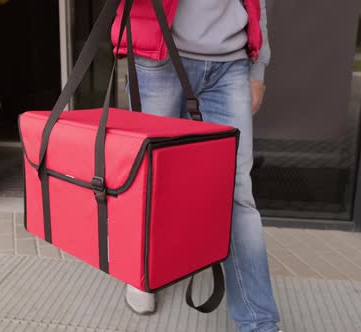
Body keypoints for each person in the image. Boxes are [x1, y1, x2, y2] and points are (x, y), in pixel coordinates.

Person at [111, 0, 282, 331]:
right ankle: (142, 272)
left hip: (230, 63)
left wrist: (258, 66)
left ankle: (259, 323)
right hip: (157, 52)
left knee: (236, 194)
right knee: (149, 180)